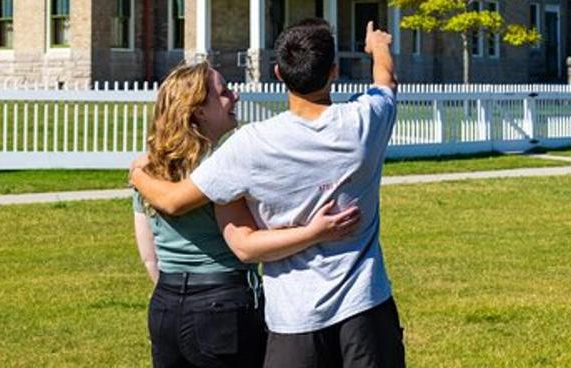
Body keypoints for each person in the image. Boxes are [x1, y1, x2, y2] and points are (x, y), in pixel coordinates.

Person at [131, 19, 406, 368]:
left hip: (293, 320)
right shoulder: (364, 122)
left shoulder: (250, 145)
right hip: (366, 308)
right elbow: (386, 82)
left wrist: (138, 175)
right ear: (333, 71)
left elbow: (174, 200)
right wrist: (378, 47)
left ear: (278, 73)